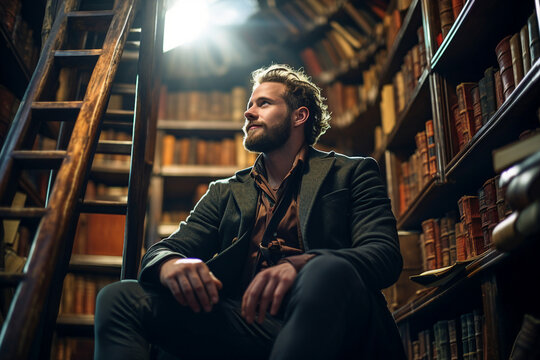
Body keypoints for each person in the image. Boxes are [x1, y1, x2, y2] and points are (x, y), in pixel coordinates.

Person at [94, 64, 406, 360]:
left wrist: (303, 265)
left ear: (299, 116)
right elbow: (165, 250)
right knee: (118, 299)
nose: (248, 111)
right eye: (249, 103)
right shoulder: (225, 191)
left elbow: (383, 256)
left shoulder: (352, 173)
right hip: (250, 325)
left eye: (263, 103)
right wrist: (171, 264)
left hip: (334, 325)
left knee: (326, 270)